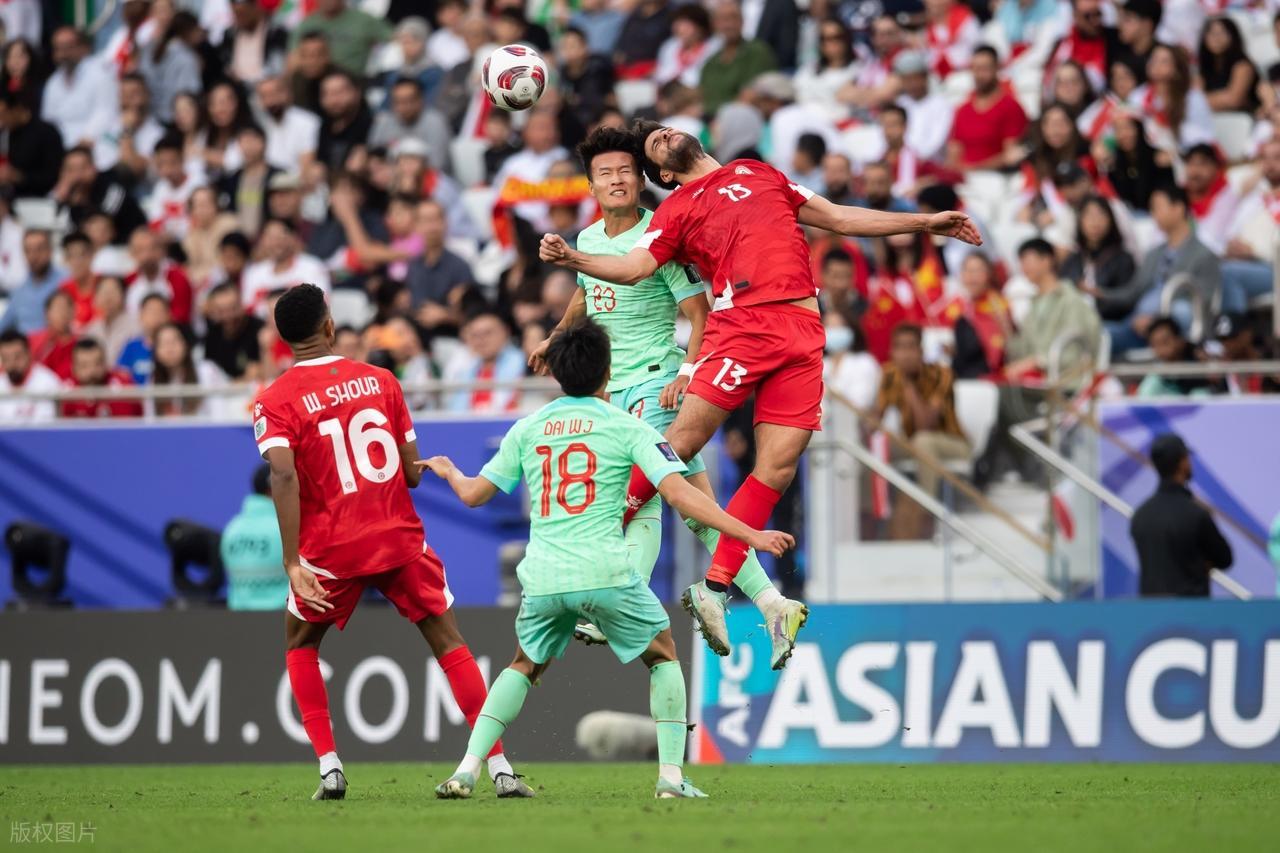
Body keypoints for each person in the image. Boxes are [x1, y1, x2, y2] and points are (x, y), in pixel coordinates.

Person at [539, 120, 979, 660]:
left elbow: (840, 217)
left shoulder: (759, 172)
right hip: (743, 326)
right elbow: (632, 268)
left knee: (777, 468)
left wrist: (925, 222)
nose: (667, 136)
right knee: (679, 446)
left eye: (665, 131)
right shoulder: (676, 210)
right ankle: (597, 541)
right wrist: (573, 260)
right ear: (664, 175)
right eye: (656, 144)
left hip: (803, 331)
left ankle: (715, 588)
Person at [422, 318, 794, 800]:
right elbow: (681, 495)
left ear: (557, 373)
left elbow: (474, 495)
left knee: (524, 665)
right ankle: (671, 778)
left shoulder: (528, 427)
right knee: (663, 654)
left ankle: (467, 770)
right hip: (606, 571)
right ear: (608, 371)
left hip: (544, 576)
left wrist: (451, 472)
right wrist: (750, 534)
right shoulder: (629, 427)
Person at [253, 283, 531, 801]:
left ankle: (330, 767)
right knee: (449, 643)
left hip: (332, 549)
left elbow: (283, 476)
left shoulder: (273, 401)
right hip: (397, 537)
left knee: (301, 645)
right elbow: (411, 473)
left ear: (284, 339)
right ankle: (499, 767)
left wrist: (292, 561)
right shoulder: (381, 381)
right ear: (329, 325)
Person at [527, 126, 791, 660]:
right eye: (605, 173)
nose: (617, 179)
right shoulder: (588, 241)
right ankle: (772, 602)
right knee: (697, 510)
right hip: (611, 392)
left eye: (625, 170)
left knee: (640, 497)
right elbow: (587, 293)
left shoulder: (661, 237)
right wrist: (555, 338)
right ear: (591, 185)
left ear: (640, 180)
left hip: (656, 384)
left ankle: (619, 609)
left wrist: (687, 373)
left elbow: (700, 313)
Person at [875, 323, 969, 530]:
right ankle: (869, 519)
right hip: (912, 442)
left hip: (952, 442)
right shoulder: (889, 375)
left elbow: (925, 424)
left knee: (923, 441)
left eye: (910, 347)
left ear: (921, 351)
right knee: (877, 445)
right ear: (892, 352)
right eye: (899, 348)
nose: (905, 354)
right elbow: (876, 421)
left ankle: (925, 517)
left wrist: (907, 384)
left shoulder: (942, 374)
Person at [1106, 184, 1221, 354]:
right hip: (1138, 325)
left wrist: (1157, 321)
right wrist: (1099, 294)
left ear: (1178, 208)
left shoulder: (1204, 254)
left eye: (1158, 207)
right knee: (1102, 334)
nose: (1154, 214)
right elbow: (1132, 292)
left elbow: (1203, 300)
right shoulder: (1153, 254)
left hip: (1174, 327)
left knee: (1182, 310)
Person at [1131, 433, 1232, 597]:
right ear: (1182, 463)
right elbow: (1225, 559)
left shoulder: (1141, 515)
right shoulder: (1196, 513)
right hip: (1191, 610)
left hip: (1151, 610)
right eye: (1187, 458)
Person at [946, 45, 1029, 174]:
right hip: (963, 177)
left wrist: (974, 169)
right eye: (975, 69)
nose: (979, 75)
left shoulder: (1011, 107)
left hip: (997, 177)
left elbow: (1011, 155)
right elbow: (954, 153)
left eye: (984, 69)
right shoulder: (962, 110)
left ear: (997, 68)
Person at [221, 463, 289, 610]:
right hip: (283, 618)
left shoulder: (231, 529)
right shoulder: (289, 528)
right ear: (274, 488)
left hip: (238, 618)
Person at [1060, 195, 1137, 324]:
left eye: (1101, 215)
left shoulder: (1123, 259)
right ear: (1080, 221)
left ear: (1110, 220)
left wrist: (1100, 295)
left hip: (1109, 323)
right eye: (1089, 215)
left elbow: (1128, 299)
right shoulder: (1073, 260)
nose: (1095, 222)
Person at [698, 1, 776, 117]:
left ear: (742, 21)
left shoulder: (757, 51)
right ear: (714, 24)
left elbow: (750, 96)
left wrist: (709, 110)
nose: (729, 24)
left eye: (734, 18)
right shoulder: (710, 64)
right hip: (709, 119)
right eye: (723, 19)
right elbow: (701, 97)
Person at [443, 310, 526, 413]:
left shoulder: (525, 363)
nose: (481, 340)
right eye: (475, 335)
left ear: (506, 332)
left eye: (488, 333)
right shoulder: (465, 371)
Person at [241, 219, 331, 312]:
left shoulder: (312, 266)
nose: (275, 243)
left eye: (280, 236)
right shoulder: (254, 272)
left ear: (294, 237)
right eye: (270, 237)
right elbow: (248, 310)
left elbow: (321, 304)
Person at [147, 322, 229, 418]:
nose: (169, 348)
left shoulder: (206, 371)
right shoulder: (152, 381)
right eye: (163, 343)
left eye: (174, 341)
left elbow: (220, 413)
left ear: (185, 344)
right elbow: (151, 420)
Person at [290, 0, 391, 76]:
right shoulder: (306, 24)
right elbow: (292, 60)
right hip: (313, 84)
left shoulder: (363, 20)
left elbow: (393, 38)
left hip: (353, 83)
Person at [60, 338, 143, 419]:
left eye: (97, 364)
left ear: (105, 363)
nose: (91, 371)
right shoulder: (65, 393)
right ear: (73, 368)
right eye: (84, 366)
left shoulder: (122, 388)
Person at [0, 231, 64, 335]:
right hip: (23, 343)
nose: (34, 256)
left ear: (50, 250)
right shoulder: (19, 291)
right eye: (28, 250)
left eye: (39, 249)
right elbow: (3, 324)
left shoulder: (65, 281)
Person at [1136, 317, 1216, 398]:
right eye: (1155, 344)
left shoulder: (1199, 359)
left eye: (1165, 342)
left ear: (1179, 340)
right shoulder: (1154, 381)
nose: (1162, 350)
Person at [1199, 15, 1259, 114]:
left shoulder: (1243, 65)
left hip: (1242, 117)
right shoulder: (1205, 67)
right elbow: (1192, 97)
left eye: (1222, 33)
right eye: (1212, 33)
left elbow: (1234, 100)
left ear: (1233, 36)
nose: (1216, 38)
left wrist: (1201, 101)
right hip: (1212, 117)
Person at [0, 328, 61, 422]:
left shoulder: (48, 382)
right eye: (6, 359)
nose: (12, 364)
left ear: (29, 354)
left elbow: (47, 425)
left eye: (17, 357)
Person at [82, 277, 137, 366]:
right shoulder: (91, 330)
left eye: (112, 292)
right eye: (104, 292)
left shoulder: (136, 327)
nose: (108, 297)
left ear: (124, 295)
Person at [118, 293, 171, 386]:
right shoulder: (131, 346)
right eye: (151, 311)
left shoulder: (173, 345)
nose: (156, 316)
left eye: (160, 311)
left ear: (168, 316)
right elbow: (121, 375)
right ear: (141, 315)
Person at [27, 291, 77, 381]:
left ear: (73, 312)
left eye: (66, 308)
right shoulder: (33, 341)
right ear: (46, 313)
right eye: (58, 309)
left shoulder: (80, 342)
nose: (63, 313)